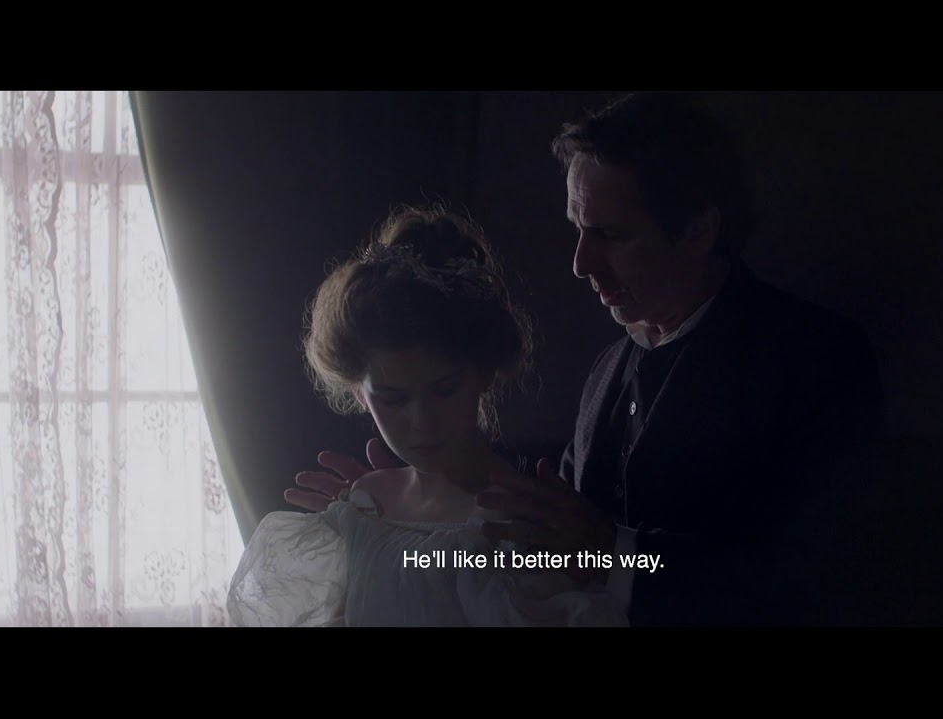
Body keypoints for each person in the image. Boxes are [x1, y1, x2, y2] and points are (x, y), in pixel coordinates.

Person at [288, 92, 886, 626]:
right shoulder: (606, 372)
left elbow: (823, 578)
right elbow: (550, 556)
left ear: (699, 230)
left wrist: (615, 553)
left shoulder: (813, 357)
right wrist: (402, 526)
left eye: (611, 235)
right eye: (577, 228)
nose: (581, 263)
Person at [227, 205, 628, 627]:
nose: (422, 423)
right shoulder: (361, 509)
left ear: (484, 373)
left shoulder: (522, 526)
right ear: (360, 395)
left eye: (444, 390)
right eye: (393, 399)